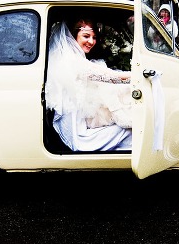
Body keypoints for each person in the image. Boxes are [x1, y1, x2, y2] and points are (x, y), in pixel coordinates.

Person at [45, 18, 132, 153]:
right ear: (73, 36)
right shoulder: (70, 61)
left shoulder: (73, 57)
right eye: (86, 36)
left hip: (82, 123)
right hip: (78, 137)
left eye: (94, 37)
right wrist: (136, 76)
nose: (91, 41)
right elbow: (110, 76)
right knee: (133, 132)